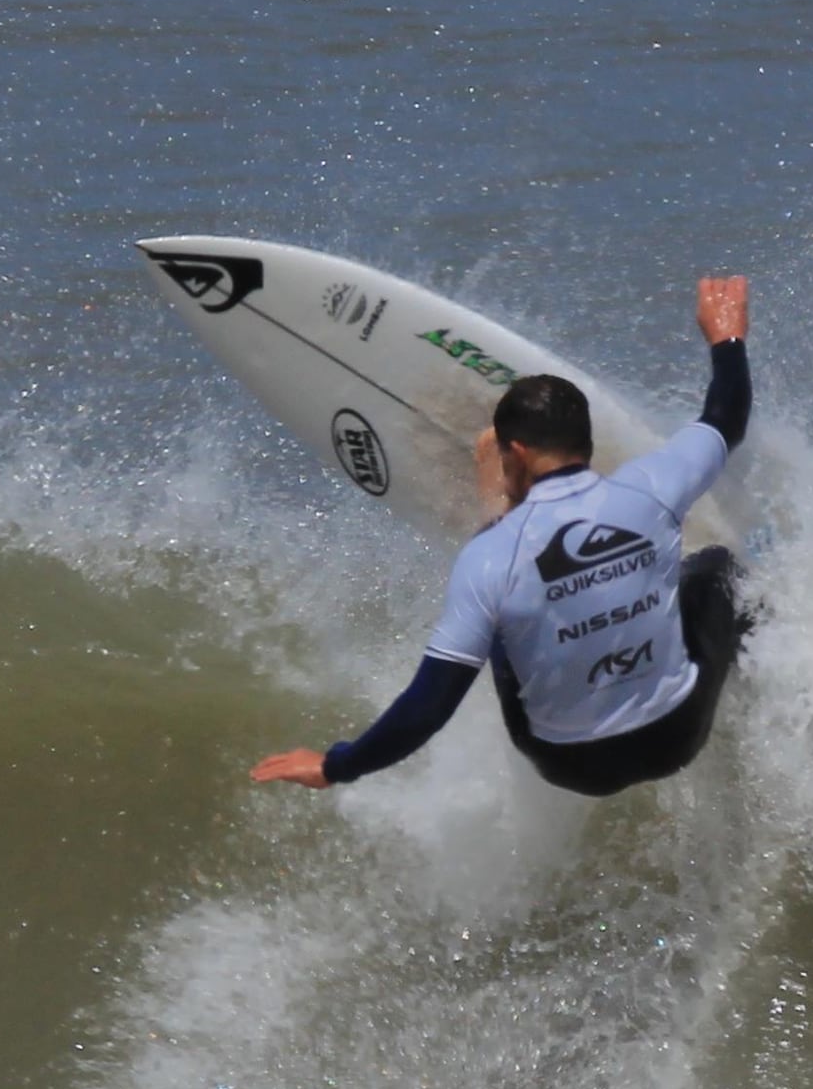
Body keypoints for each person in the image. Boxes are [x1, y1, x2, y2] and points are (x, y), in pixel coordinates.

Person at [253, 275, 754, 799]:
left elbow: (428, 707)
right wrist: (726, 336)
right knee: (718, 566)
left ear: (512, 453)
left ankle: (497, 508)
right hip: (675, 735)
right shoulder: (653, 487)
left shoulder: (487, 559)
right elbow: (726, 417)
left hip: (568, 762)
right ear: (588, 440)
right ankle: (763, 660)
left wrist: (336, 766)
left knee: (502, 612)